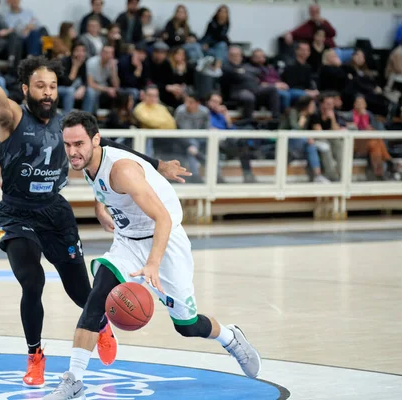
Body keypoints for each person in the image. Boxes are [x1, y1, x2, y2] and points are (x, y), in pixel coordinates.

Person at [0, 12, 190, 387]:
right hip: (18, 213)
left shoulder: (67, 127)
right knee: (31, 281)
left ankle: (100, 325)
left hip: (55, 211)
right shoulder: (11, 118)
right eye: (40, 86)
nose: (48, 92)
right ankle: (35, 354)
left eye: (52, 85)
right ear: (25, 90)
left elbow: (107, 147)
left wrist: (156, 165)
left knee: (79, 289)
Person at [43, 111, 261, 399]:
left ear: (95, 141)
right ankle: (74, 380)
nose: (72, 151)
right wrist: (101, 206)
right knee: (95, 299)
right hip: (128, 241)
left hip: (165, 241)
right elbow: (101, 181)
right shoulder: (86, 159)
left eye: (79, 144)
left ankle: (230, 337)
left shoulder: (122, 171)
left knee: (188, 325)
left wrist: (153, 265)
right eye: (67, 145)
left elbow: (163, 219)